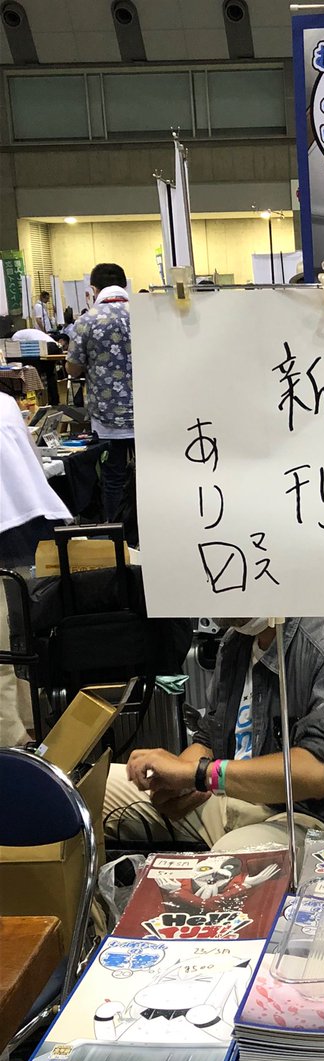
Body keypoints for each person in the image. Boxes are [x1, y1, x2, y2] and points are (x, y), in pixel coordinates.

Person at [103, 616, 324, 850]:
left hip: (320, 822)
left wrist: (201, 774)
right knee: (89, 796)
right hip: (237, 798)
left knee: (227, 864)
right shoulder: (237, 640)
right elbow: (210, 738)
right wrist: (179, 781)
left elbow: (317, 774)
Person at [0, 389, 72, 746]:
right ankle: (28, 736)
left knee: (7, 653)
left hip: (13, 528)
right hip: (30, 528)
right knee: (20, 645)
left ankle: (14, 746)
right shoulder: (5, 402)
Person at [66, 263, 134, 522]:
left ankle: (115, 531)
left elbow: (73, 369)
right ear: (125, 285)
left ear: (93, 289)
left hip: (107, 417)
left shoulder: (87, 320)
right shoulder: (146, 315)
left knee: (113, 476)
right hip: (150, 413)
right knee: (152, 474)